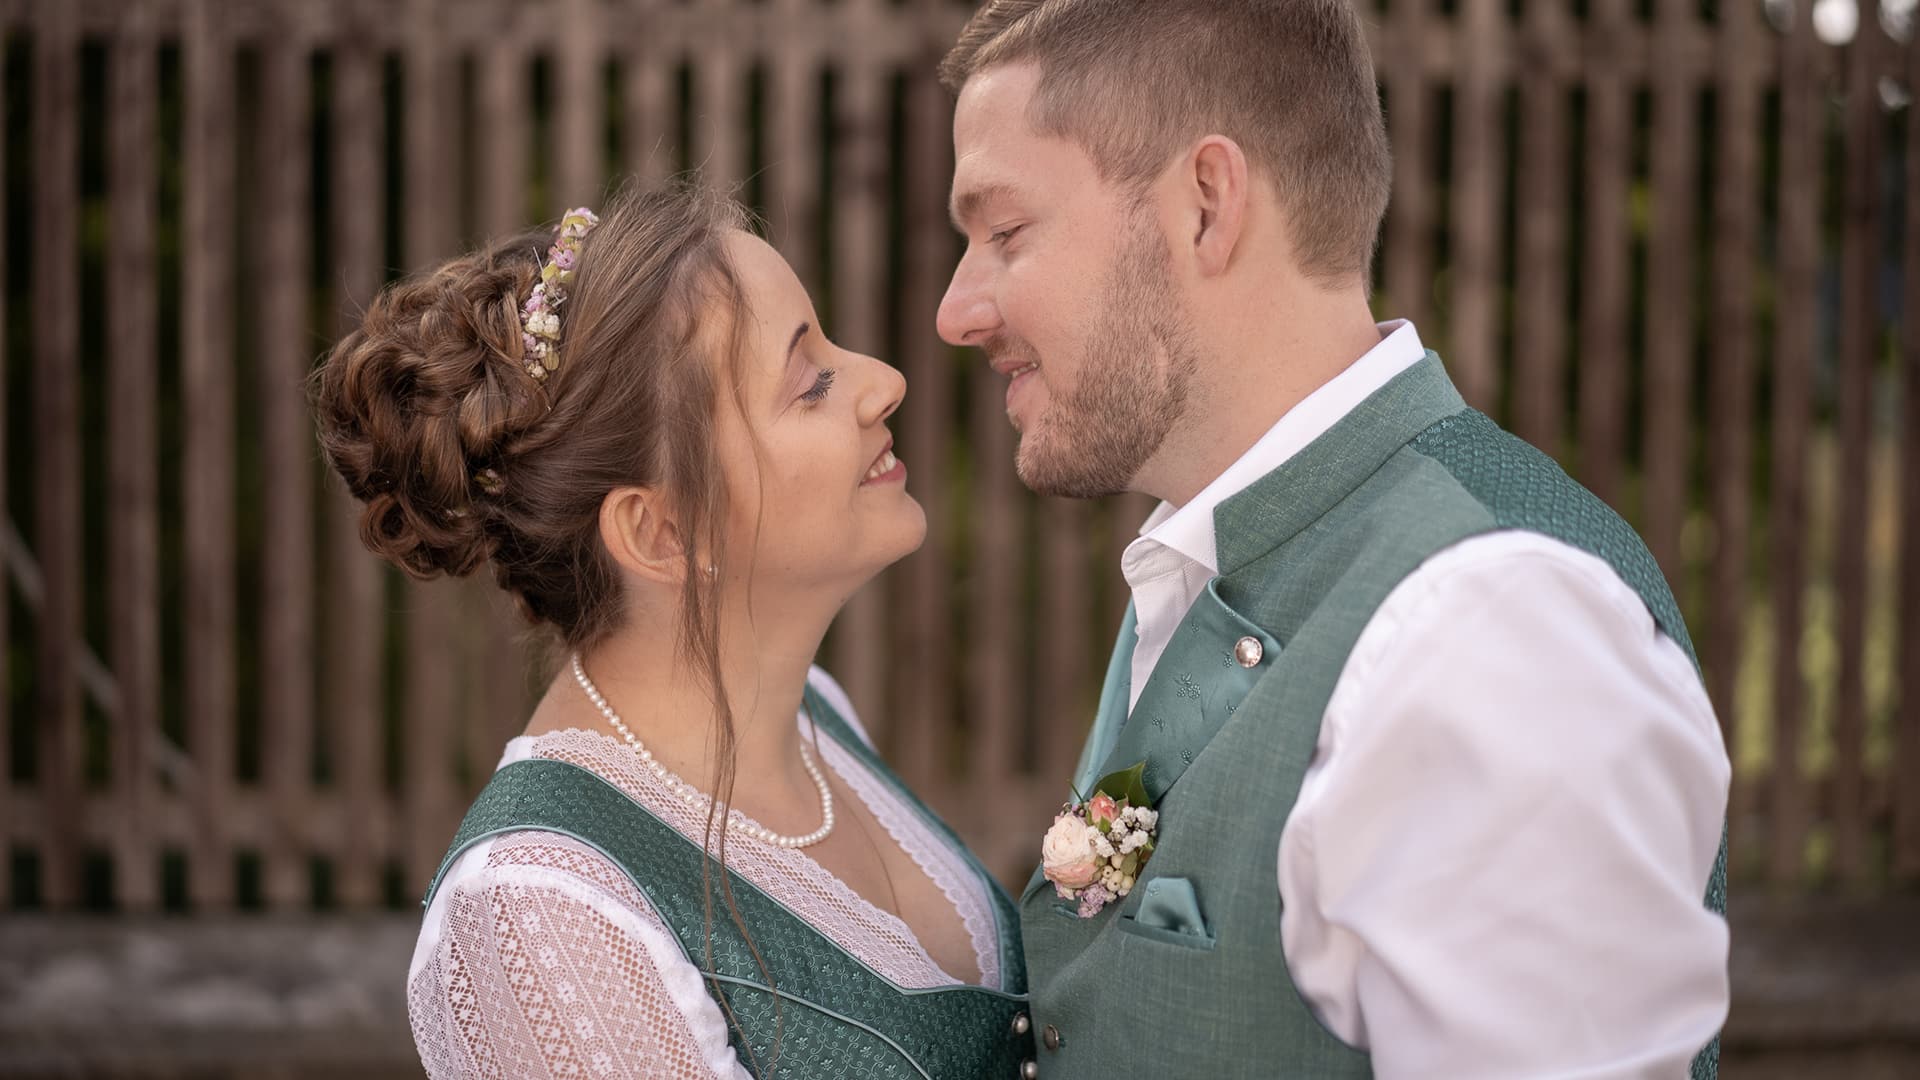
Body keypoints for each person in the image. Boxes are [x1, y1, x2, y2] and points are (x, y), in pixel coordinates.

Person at [935, 2, 1731, 1077]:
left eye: (1004, 232)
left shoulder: (1493, 627)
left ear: (1206, 206)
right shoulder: (1212, 559)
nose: (958, 310)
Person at [313, 182, 1034, 1078]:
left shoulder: (815, 714)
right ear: (660, 532)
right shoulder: (540, 914)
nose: (884, 381)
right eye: (810, 382)